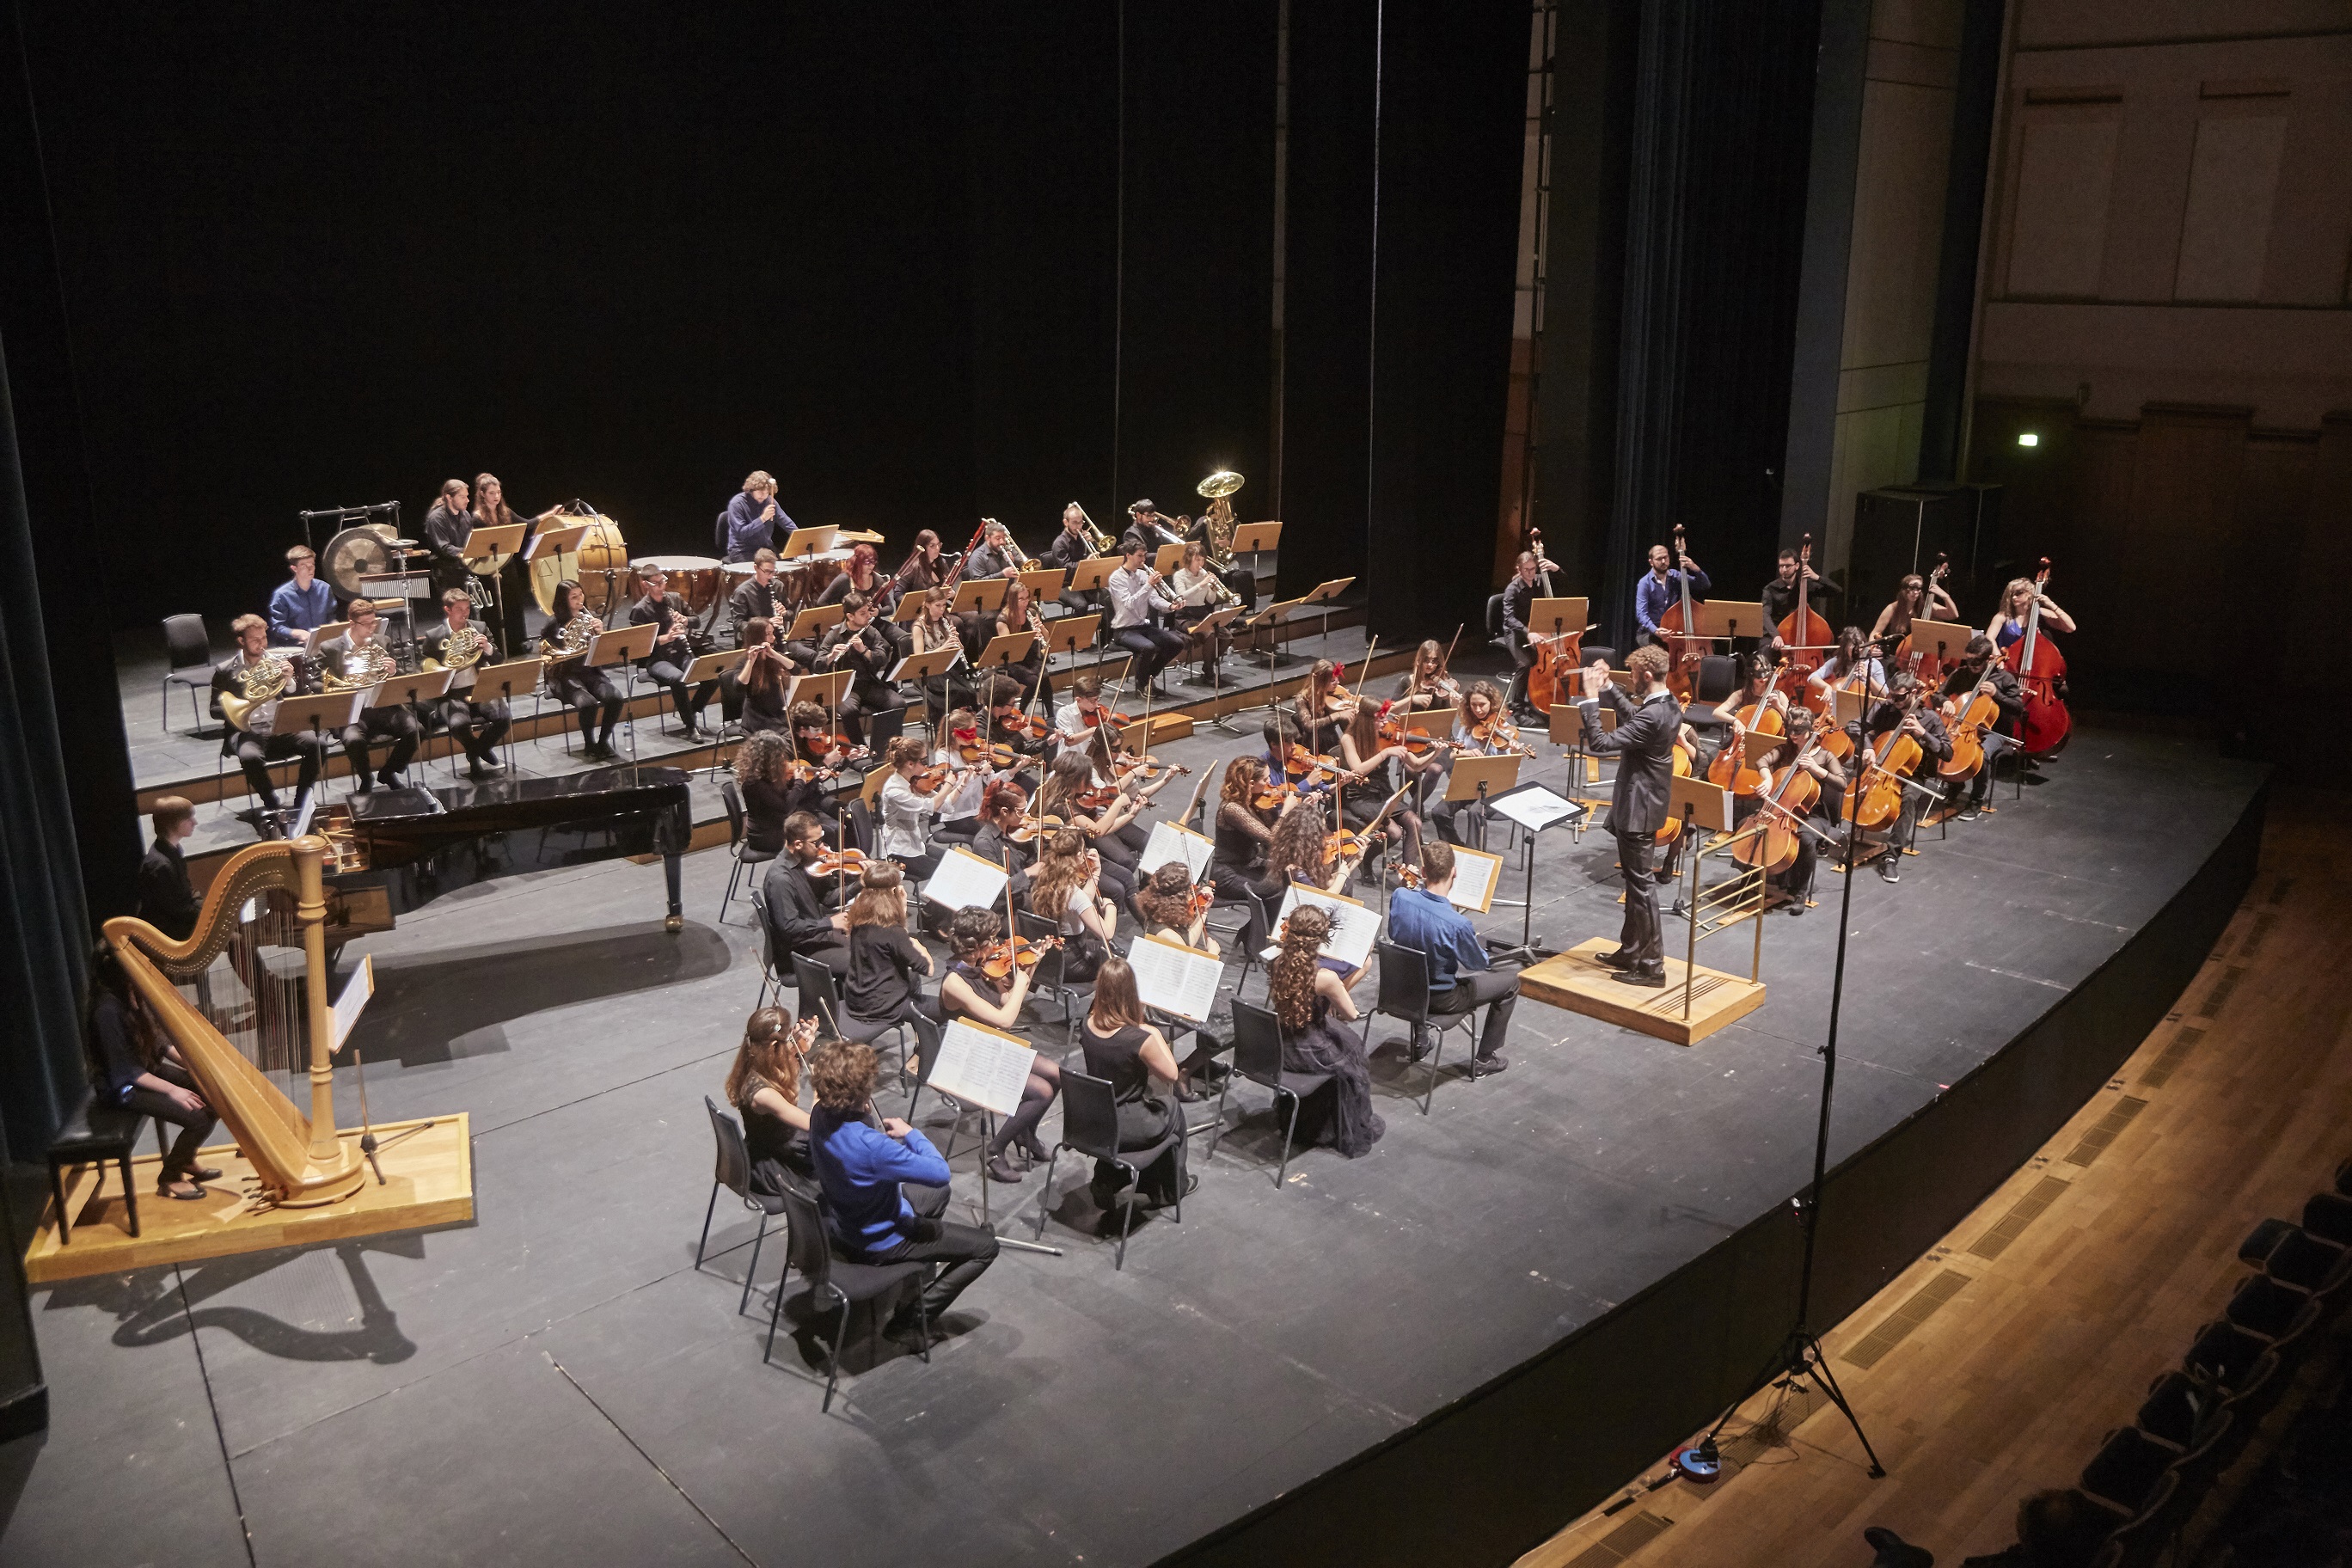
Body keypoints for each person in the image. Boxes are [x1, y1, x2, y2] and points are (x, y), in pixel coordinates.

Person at [805, 1038, 996, 1344]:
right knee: (986, 1247)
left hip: (846, 1221)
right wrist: (912, 1134)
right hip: (880, 1242)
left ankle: (916, 1275)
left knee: (938, 1196)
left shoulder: (819, 1114)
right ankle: (909, 1322)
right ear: (863, 1091)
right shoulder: (873, 1146)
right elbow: (939, 1173)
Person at [1577, 645, 1681, 986]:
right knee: (1636, 886)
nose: (1631, 678)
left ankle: (1652, 966)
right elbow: (1635, 715)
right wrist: (1609, 687)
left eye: (1634, 674)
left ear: (1647, 675)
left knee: (1642, 887)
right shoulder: (1667, 703)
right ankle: (1632, 949)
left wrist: (1591, 698)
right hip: (1643, 803)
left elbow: (1600, 743)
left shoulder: (1654, 715)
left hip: (1639, 808)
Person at [934, 907, 1061, 1183]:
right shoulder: (955, 982)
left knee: (1056, 1074)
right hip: (965, 1055)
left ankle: (1025, 1133)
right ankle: (994, 1150)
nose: (998, 944)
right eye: (992, 939)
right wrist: (1023, 982)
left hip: (987, 1043)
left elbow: (1005, 1000)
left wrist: (1031, 966)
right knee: (1041, 1092)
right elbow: (1004, 1019)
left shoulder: (984, 967)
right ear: (977, 946)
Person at [85, 948, 219, 1201]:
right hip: (122, 1088)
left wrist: (194, 1064)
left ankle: (185, 1159)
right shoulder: (106, 1010)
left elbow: (158, 1043)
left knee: (214, 1094)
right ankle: (170, 1177)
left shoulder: (130, 994)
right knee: (198, 1119)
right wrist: (173, 1090)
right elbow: (125, 1072)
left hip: (146, 1071)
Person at [1387, 840, 1519, 1073]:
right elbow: (1477, 963)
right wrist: (1470, 939)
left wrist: (1407, 886)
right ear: (1454, 872)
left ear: (1424, 872)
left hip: (1401, 991)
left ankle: (1421, 1041)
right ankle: (1484, 1060)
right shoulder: (1457, 924)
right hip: (1441, 999)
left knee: (1419, 961)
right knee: (1511, 983)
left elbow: (1393, 933)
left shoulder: (1400, 896)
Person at [1265, 906, 1383, 1156]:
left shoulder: (1276, 963)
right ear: (1321, 938)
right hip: (1311, 1047)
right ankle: (1330, 1128)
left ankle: (1306, 1121)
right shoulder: (1326, 978)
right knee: (1353, 1061)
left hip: (1280, 1043)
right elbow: (1350, 1015)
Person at [1076, 956, 1193, 1205]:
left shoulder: (1086, 1024)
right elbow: (1172, 1074)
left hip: (1096, 1120)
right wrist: (1152, 1031)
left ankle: (1108, 1179)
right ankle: (1172, 1189)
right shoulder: (1139, 1038)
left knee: (1155, 1109)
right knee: (1172, 1108)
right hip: (1126, 1123)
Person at [212, 614, 328, 812]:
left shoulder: (277, 662)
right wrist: (243, 703)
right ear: (241, 641)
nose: (262, 644)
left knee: (318, 744)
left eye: (264, 638)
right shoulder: (225, 670)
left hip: (280, 725)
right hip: (248, 731)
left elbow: (297, 697)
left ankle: (302, 799)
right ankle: (272, 804)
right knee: (249, 757)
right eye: (255, 640)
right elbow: (214, 710)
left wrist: (289, 681)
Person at [1739, 707, 1846, 910]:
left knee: (1805, 839)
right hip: (1781, 808)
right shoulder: (1785, 749)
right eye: (1790, 730)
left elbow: (1842, 784)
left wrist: (1816, 769)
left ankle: (1800, 892)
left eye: (1798, 731)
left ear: (1810, 730)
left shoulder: (1825, 756)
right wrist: (1767, 778)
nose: (1793, 735)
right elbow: (1762, 761)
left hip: (1813, 814)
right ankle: (1750, 879)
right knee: (1746, 825)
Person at [1852, 672, 1950, 884]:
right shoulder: (1884, 709)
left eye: (1899, 697)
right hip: (1881, 767)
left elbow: (1948, 752)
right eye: (1891, 695)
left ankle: (1891, 856)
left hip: (1912, 773)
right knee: (1855, 785)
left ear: (1913, 692)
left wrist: (1923, 733)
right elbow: (1854, 726)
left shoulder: (1930, 718)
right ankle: (1850, 838)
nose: (1893, 701)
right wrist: (1867, 747)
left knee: (1909, 798)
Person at [315, 599, 420, 792]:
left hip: (383, 706)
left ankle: (388, 772)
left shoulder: (383, 642)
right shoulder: (330, 648)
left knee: (415, 730)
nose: (372, 628)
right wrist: (342, 687)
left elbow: (399, 679)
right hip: (352, 712)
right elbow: (317, 682)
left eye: (374, 622)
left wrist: (394, 672)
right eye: (366, 624)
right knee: (353, 740)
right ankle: (366, 778)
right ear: (352, 623)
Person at [842, 861, 940, 1039]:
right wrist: (921, 947)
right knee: (947, 1011)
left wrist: (901, 910)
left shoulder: (858, 920)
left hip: (857, 1000)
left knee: (913, 979)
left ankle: (919, 1036)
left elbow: (894, 942)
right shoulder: (893, 932)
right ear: (894, 891)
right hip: (882, 1008)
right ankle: (922, 1052)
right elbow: (928, 969)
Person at [725, 1008, 820, 1189]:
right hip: (775, 1163)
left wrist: (799, 1049)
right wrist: (820, 1091)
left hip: (775, 1143)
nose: (791, 1041)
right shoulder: (763, 1094)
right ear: (774, 1046)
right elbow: (815, 1123)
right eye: (789, 1038)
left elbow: (779, 1063)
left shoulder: (754, 1060)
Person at [420, 588, 509, 780]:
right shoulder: (435, 636)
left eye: (467, 608)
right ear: (448, 610)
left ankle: (476, 752)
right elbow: (425, 666)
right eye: (459, 609)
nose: (465, 613)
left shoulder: (480, 628)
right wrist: (442, 671)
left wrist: (488, 648)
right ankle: (478, 753)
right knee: (458, 725)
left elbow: (499, 660)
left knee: (503, 718)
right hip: (452, 693)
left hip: (479, 688)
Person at [1939, 634, 2026, 819]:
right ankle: (1955, 784)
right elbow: (1938, 694)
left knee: (1982, 754)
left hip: (1996, 731)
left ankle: (1976, 801)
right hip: (1964, 728)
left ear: (1989, 659)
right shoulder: (1961, 674)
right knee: (1944, 744)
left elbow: (2018, 708)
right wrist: (1945, 701)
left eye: (1977, 661)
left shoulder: (2004, 678)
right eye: (1969, 660)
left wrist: (1997, 695)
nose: (1972, 665)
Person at [628, 564, 718, 739]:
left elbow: (696, 621)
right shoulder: (640, 610)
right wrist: (666, 638)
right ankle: (691, 726)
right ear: (645, 585)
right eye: (656, 584)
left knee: (712, 677)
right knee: (678, 678)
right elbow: (640, 647)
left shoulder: (675, 599)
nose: (662, 586)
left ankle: (691, 711)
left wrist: (685, 620)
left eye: (663, 581)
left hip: (682, 654)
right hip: (657, 660)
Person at [761, 812, 853, 979]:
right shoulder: (780, 879)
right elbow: (789, 927)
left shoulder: (806, 864)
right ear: (798, 844)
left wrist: (861, 884)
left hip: (817, 935)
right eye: (816, 843)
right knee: (861, 963)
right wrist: (830, 922)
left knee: (871, 945)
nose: (822, 847)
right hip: (799, 952)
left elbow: (828, 898)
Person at [542, 581, 624, 760]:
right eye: (574, 597)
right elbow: (546, 653)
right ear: (564, 600)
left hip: (590, 672)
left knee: (616, 698)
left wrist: (600, 634)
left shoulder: (589, 618)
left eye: (581, 594)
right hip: (564, 676)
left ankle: (603, 741)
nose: (580, 599)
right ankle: (589, 743)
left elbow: (603, 652)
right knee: (588, 704)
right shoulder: (553, 624)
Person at [815, 590, 906, 739]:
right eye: (863, 613)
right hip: (845, 688)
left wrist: (865, 651)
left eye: (868, 611)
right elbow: (818, 665)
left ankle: (886, 743)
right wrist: (831, 656)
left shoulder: (872, 632)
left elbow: (882, 659)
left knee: (898, 704)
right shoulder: (834, 635)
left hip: (869, 684)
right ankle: (860, 747)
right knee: (848, 711)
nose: (868, 616)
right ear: (850, 616)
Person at [1028, 829, 1117, 982]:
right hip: (1073, 963)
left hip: (1050, 958)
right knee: (1117, 966)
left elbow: (1081, 903)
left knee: (1109, 952)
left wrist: (1095, 873)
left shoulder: (1042, 880)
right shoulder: (1073, 893)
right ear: (1079, 855)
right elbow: (1107, 933)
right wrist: (1111, 908)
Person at [876, 734, 966, 881]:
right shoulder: (894, 791)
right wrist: (948, 784)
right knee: (946, 874)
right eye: (924, 761)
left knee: (956, 863)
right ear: (910, 764)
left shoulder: (915, 781)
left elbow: (944, 806)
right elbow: (933, 805)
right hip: (899, 851)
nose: (927, 766)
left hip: (916, 845)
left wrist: (964, 783)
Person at [1106, 536, 1188, 695]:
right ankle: (1142, 685)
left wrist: (1171, 606)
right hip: (1124, 630)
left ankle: (1148, 677)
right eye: (1139, 556)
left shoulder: (1143, 575)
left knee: (1176, 643)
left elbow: (1154, 600)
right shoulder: (1116, 578)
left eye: (1144, 555)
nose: (1143, 560)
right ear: (1128, 556)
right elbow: (1130, 603)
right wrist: (1149, 585)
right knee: (1148, 647)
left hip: (1143, 626)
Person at [470, 471, 536, 655]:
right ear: (482, 494)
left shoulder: (505, 512)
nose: (496, 497)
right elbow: (478, 548)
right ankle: (498, 644)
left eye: (498, 492)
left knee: (513, 604)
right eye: (492, 493)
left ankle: (516, 643)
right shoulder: (477, 518)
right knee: (494, 608)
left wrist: (550, 515)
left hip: (507, 566)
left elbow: (527, 524)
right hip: (488, 569)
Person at [735, 732, 820, 855]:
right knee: (818, 837)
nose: (783, 758)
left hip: (777, 826)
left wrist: (814, 780)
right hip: (766, 837)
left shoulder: (770, 775)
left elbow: (788, 797)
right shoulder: (754, 783)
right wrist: (799, 782)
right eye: (780, 754)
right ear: (770, 757)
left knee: (824, 830)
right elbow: (785, 807)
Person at [1498, 548, 1557, 719]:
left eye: (1533, 569)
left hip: (1536, 629)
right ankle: (1517, 709)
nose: (1531, 573)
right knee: (1524, 663)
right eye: (1527, 570)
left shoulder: (1539, 582)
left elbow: (1562, 582)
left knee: (1541, 662)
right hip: (1515, 632)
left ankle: (1535, 703)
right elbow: (1509, 618)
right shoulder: (1512, 589)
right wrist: (1528, 632)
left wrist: (1555, 569)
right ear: (1519, 569)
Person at [966, 581, 1047, 702]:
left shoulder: (1031, 612)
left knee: (1045, 678)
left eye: (1027, 598)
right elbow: (1009, 648)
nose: (1025, 602)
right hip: (1012, 662)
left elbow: (1047, 638)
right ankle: (1022, 711)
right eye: (1021, 599)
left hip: (1030, 657)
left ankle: (1050, 712)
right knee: (1034, 681)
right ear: (1013, 600)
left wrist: (1041, 627)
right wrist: (1028, 638)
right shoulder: (1003, 619)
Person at [138, 797, 200, 940]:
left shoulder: (172, 849)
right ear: (175, 823)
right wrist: (211, 919)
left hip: (180, 920)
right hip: (168, 933)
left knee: (234, 929)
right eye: (189, 818)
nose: (195, 822)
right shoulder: (161, 866)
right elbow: (178, 910)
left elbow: (186, 895)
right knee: (233, 935)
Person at [1633, 537, 1711, 649]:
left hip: (1673, 630)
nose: (1663, 562)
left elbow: (1704, 585)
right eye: (1659, 559)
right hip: (1651, 631)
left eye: (1665, 557)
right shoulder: (1644, 583)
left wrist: (1695, 568)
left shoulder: (1676, 576)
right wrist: (1656, 630)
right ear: (1651, 562)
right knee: (1657, 654)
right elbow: (1641, 614)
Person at [905, 587, 970, 719]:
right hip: (927, 673)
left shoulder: (946, 621)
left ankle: (963, 726)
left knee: (969, 693)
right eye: (938, 605)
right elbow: (919, 658)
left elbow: (960, 650)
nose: (942, 609)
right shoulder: (919, 626)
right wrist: (944, 647)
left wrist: (957, 640)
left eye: (944, 605)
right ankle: (946, 727)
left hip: (945, 669)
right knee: (953, 696)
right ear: (927, 605)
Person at [725, 617, 796, 735]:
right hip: (757, 718)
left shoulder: (774, 657)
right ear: (757, 638)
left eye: (772, 633)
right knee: (786, 734)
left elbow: (796, 669)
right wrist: (751, 662)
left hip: (777, 714)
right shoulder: (743, 661)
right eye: (768, 634)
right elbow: (739, 686)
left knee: (800, 727)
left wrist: (776, 655)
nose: (773, 638)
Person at [1761, 546, 1836, 657]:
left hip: (1801, 636)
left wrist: (1816, 577)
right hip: (1776, 634)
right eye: (1781, 566)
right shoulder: (1770, 589)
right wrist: (1776, 635)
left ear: (1797, 566)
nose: (1784, 569)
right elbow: (1765, 614)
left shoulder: (1805, 585)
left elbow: (1836, 590)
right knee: (1765, 653)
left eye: (1788, 566)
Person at [968, 781, 1038, 899]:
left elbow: (1031, 859)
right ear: (1004, 812)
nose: (1025, 815)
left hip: (1027, 889)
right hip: (1009, 899)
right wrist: (1028, 873)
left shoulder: (1018, 830)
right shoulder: (984, 843)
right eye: (1021, 812)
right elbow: (997, 889)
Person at [1134, 861, 1218, 957]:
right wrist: (1212, 954)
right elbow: (1186, 956)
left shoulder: (1159, 912)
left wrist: (1204, 911)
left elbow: (1188, 940)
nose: (1192, 892)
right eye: (1190, 890)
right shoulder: (1168, 936)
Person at [1870, 569, 1957, 660]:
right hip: (1894, 658)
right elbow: (1876, 632)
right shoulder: (1892, 608)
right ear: (1904, 589)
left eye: (1918, 588)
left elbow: (1952, 615)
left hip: (1919, 658)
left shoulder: (1926, 606)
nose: (1915, 592)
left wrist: (1945, 597)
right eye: (1912, 588)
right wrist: (1872, 648)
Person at [267, 544, 337, 647]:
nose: (310, 569)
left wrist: (335, 626)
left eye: (312, 564)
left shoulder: (325, 588)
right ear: (294, 568)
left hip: (323, 645)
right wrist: (297, 633)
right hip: (295, 647)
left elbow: (331, 617)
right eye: (304, 566)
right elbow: (277, 627)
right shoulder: (282, 595)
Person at [420, 477, 477, 602]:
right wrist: (467, 552)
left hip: (464, 569)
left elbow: (471, 540)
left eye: (467, 496)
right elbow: (445, 548)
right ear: (449, 497)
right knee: (454, 608)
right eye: (462, 497)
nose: (467, 500)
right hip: (446, 573)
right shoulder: (436, 518)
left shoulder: (465, 515)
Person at [719, 470, 794, 562]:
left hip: (765, 548)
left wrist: (801, 536)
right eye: (760, 492)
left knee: (788, 564)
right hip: (742, 550)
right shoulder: (737, 503)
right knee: (762, 567)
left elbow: (787, 523)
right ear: (751, 489)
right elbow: (742, 533)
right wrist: (763, 518)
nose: (764, 496)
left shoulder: (770, 501)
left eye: (767, 492)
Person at [1988, 576, 2077, 650]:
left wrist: (2051, 604)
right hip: (2007, 663)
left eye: (2018, 593)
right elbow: (1989, 639)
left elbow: (2070, 628)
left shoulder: (2042, 613)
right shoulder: (2002, 616)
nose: (2014, 597)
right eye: (2011, 595)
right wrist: (1998, 657)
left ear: (2029, 593)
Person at [725, 548, 787, 644]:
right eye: (767, 571)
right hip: (755, 643)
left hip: (777, 638)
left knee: (805, 652)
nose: (770, 576)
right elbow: (738, 623)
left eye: (773, 571)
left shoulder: (778, 586)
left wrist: (784, 613)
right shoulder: (742, 592)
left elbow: (791, 613)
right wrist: (765, 626)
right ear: (756, 568)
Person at [961, 518, 1029, 583]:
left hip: (1011, 590)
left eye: (1004, 538)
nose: (1002, 542)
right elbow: (977, 582)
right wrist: (1002, 575)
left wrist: (1014, 561)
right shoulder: (978, 556)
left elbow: (1025, 567)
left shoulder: (1007, 549)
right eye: (998, 538)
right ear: (988, 538)